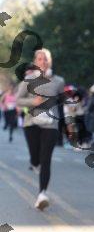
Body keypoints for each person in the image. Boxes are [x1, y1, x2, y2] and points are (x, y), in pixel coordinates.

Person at [15, 49, 65, 210]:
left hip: (51, 124)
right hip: (32, 123)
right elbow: (18, 100)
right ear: (35, 62)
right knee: (35, 159)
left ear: (50, 61)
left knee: (46, 159)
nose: (43, 61)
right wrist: (33, 102)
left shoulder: (58, 81)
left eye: (45, 59)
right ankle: (34, 163)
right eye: (39, 59)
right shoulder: (28, 80)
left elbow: (61, 103)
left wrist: (63, 125)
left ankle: (42, 194)